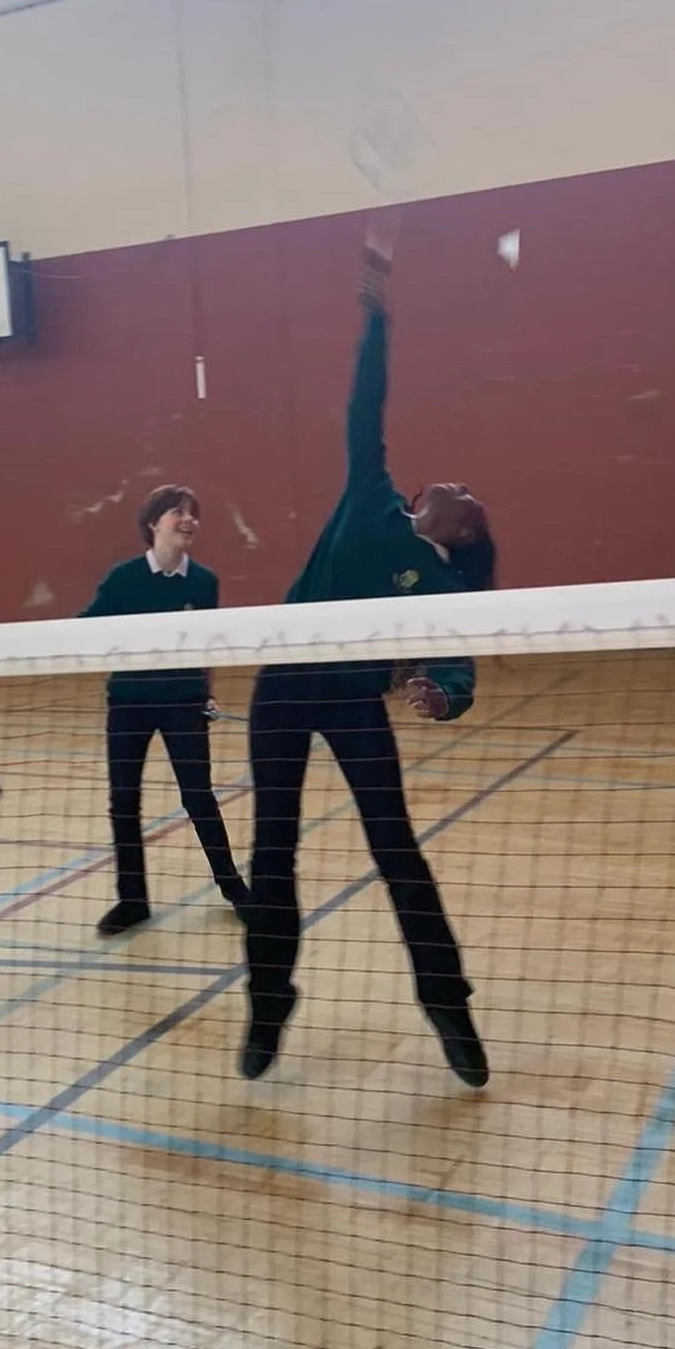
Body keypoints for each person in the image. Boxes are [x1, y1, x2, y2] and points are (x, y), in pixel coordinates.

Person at [238, 219, 494, 1085]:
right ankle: (268, 999)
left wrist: (444, 697)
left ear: (461, 537)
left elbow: (455, 665)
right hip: (283, 687)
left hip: (352, 699)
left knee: (396, 848)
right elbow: (367, 400)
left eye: (475, 499)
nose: (464, 486)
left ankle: (446, 1003)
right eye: (457, 484)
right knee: (271, 851)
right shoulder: (369, 492)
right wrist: (376, 314)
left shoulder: (448, 584)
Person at [81, 485, 250, 936]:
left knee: (199, 796)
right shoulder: (122, 578)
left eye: (193, 513)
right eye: (178, 512)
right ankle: (132, 900)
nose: (188, 520)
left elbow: (206, 645)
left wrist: (206, 692)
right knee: (123, 802)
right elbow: (86, 629)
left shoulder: (204, 581)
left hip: (183, 702)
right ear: (154, 522)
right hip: (130, 703)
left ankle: (233, 887)